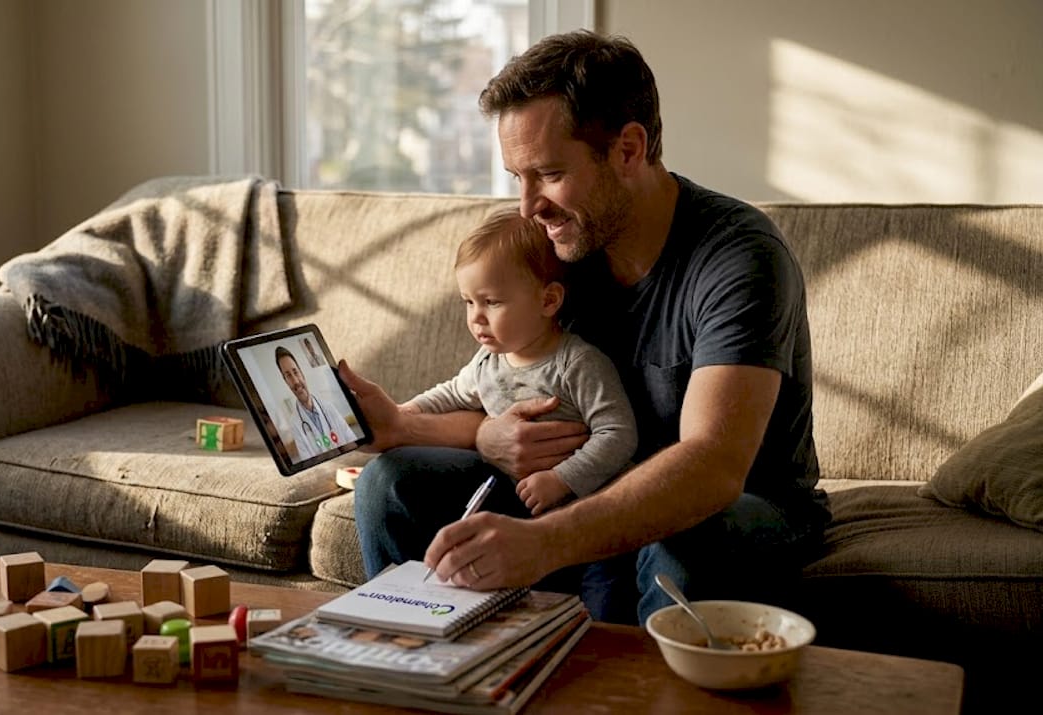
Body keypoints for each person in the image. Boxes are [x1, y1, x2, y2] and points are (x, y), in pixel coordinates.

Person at [340, 30, 830, 625]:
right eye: (517, 177)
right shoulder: (560, 248)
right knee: (390, 484)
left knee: (680, 544)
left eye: (548, 173)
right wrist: (417, 427)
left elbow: (713, 465)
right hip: (580, 484)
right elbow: (501, 387)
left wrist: (545, 543)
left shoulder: (738, 255)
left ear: (628, 150)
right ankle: (425, 658)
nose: (528, 207)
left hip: (740, 505)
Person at [402, 205, 637, 517]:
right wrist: (407, 411)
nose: (476, 318)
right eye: (469, 302)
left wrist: (561, 479)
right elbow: (454, 393)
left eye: (491, 302)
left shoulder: (577, 364)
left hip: (591, 508)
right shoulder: (488, 360)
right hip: (520, 502)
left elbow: (618, 434)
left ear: (548, 300)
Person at [276, 346, 354, 462]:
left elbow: (351, 441)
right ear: (286, 382)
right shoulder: (294, 423)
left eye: (295, 372)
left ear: (302, 373)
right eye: (288, 376)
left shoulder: (329, 407)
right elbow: (308, 461)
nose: (295, 381)